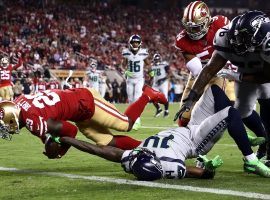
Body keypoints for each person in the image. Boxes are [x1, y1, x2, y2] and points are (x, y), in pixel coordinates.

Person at [52, 85, 270, 180]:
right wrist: (206, 167)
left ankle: (238, 131)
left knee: (214, 91)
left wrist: (68, 139)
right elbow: (202, 174)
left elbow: (101, 151)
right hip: (196, 140)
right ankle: (250, 159)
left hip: (184, 129)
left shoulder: (135, 157)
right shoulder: (168, 166)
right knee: (230, 113)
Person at [177, 11, 270, 161]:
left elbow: (267, 76)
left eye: (243, 38)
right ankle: (264, 141)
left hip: (263, 72)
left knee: (267, 98)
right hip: (244, 69)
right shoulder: (225, 36)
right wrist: (191, 97)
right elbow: (208, 69)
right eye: (236, 37)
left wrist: (238, 76)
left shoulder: (267, 41)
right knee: (242, 112)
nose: (238, 42)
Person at [0, 85, 167, 159]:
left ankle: (147, 94)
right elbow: (52, 126)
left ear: (12, 119)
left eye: (4, 125)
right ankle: (149, 148)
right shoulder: (19, 101)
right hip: (77, 111)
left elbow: (70, 131)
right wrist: (51, 140)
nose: (4, 129)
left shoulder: (32, 121)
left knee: (126, 124)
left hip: (85, 101)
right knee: (107, 142)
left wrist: (58, 151)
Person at [175, 1, 233, 126]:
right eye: (188, 27)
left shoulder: (220, 24)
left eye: (196, 27)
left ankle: (240, 131)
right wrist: (194, 96)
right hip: (198, 73)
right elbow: (197, 70)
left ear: (207, 21)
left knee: (222, 108)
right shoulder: (182, 40)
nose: (192, 31)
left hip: (219, 71)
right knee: (184, 116)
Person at [121, 34, 151, 130]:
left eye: (137, 42)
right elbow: (123, 65)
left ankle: (137, 120)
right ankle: (131, 119)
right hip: (129, 80)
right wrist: (125, 71)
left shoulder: (143, 53)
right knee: (130, 100)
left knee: (137, 98)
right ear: (130, 43)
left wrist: (150, 72)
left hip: (139, 79)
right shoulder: (126, 53)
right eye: (133, 42)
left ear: (140, 43)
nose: (135, 44)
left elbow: (148, 64)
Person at [150, 53, 171, 117]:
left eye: (158, 60)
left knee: (165, 97)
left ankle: (166, 111)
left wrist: (163, 79)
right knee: (152, 97)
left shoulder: (164, 64)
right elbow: (152, 75)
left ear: (160, 59)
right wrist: (151, 77)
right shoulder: (152, 66)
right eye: (156, 60)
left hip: (163, 82)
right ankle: (158, 109)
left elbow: (169, 73)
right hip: (155, 83)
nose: (157, 61)